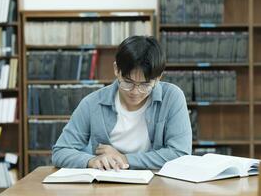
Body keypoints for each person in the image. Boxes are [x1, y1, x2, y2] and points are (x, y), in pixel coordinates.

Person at [52, 35, 192, 170]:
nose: (135, 92)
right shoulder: (93, 103)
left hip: (156, 186)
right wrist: (91, 161)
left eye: (145, 85)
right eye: (128, 82)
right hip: (107, 186)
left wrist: (124, 159)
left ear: (158, 77)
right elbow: (61, 151)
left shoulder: (172, 97)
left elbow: (180, 153)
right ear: (116, 70)